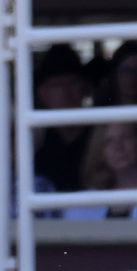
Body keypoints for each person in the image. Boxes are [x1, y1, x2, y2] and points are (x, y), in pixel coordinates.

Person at [32, 46, 93, 192]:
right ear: (43, 94)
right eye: (57, 85)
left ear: (85, 89)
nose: (66, 93)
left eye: (73, 83)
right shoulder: (35, 142)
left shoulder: (100, 138)